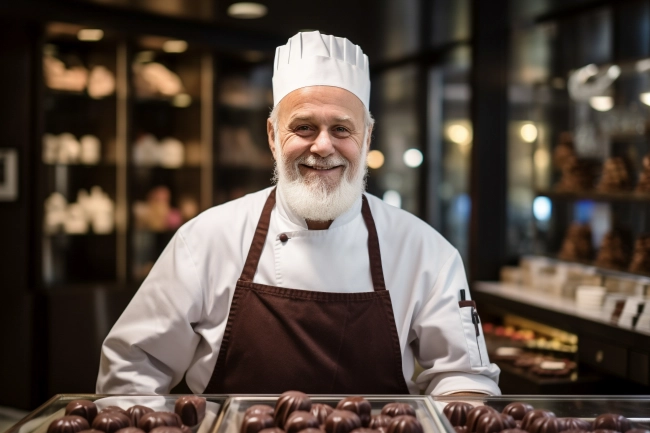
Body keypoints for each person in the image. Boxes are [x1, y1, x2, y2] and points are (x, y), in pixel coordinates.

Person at [97, 31, 500, 396]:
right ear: (273, 136)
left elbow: (465, 377)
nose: (323, 146)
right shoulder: (204, 240)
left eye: (342, 129)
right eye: (304, 127)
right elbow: (133, 368)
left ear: (367, 139)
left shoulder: (427, 252)